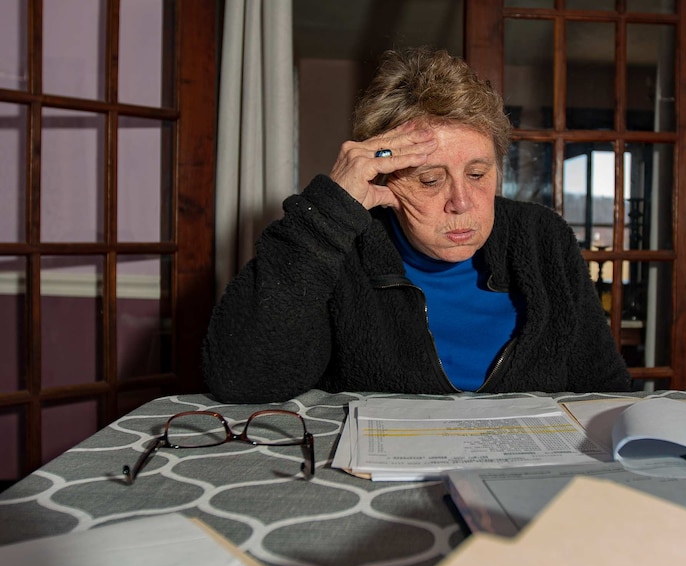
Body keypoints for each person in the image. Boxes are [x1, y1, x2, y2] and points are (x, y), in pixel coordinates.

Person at [203, 47, 631, 403]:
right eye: (430, 179)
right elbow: (244, 381)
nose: (461, 202)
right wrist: (328, 213)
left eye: (478, 174)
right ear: (386, 177)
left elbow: (605, 392)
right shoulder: (344, 248)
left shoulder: (543, 238)